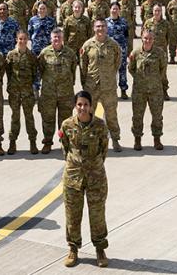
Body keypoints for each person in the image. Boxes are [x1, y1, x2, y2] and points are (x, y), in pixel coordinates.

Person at [61, 91, 110, 268]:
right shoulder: (67, 125)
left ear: (91, 106)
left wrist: (92, 166)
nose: (82, 108)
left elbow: (104, 149)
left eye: (86, 105)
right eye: (79, 104)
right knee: (72, 214)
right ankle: (73, 248)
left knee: (97, 214)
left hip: (96, 177)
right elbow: (65, 149)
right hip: (73, 177)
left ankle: (100, 248)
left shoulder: (99, 125)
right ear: (75, 105)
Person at [80, 18, 123, 152]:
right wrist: (86, 83)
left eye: (103, 26)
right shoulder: (87, 45)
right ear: (94, 28)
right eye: (98, 26)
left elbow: (117, 63)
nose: (100, 29)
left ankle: (115, 139)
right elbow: (83, 66)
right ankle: (90, 141)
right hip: (92, 87)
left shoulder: (113, 45)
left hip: (108, 87)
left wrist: (109, 76)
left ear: (106, 28)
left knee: (111, 114)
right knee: (90, 115)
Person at [37, 28, 77, 154]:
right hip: (48, 93)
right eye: (54, 37)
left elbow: (73, 71)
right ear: (51, 39)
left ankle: (64, 143)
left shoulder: (70, 53)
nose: (56, 40)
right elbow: (40, 70)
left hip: (65, 93)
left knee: (65, 121)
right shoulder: (44, 53)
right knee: (48, 119)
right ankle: (47, 142)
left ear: (62, 38)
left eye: (59, 37)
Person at [128, 28, 167, 151]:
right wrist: (141, 79)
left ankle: (157, 139)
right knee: (137, 116)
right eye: (145, 38)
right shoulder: (135, 53)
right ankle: (137, 139)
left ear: (153, 39)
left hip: (156, 90)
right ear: (141, 38)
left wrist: (153, 80)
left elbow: (162, 69)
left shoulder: (160, 53)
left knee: (157, 116)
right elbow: (131, 68)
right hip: (139, 90)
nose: (148, 40)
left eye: (150, 38)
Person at [5, 31, 39, 154]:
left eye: (25, 39)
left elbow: (35, 74)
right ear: (16, 39)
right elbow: (8, 73)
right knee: (15, 117)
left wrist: (34, 90)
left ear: (28, 40)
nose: (22, 41)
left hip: (27, 93)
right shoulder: (11, 55)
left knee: (29, 117)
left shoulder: (32, 56)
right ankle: (12, 142)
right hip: (14, 92)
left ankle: (33, 142)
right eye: (20, 39)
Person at [106, 2, 130, 99]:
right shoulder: (105, 22)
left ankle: (123, 90)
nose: (114, 11)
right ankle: (110, 91)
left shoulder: (124, 22)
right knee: (110, 71)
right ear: (110, 10)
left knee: (122, 70)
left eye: (116, 9)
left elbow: (127, 36)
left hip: (121, 50)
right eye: (113, 9)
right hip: (109, 51)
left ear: (119, 10)